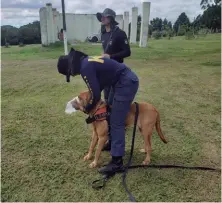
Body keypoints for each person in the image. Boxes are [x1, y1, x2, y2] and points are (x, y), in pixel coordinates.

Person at [57, 48, 139, 174]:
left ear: (70, 67)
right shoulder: (86, 61)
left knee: (116, 121)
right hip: (118, 81)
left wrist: (87, 109)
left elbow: (95, 94)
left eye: (70, 73)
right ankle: (112, 143)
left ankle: (117, 162)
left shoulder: (85, 68)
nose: (73, 75)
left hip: (125, 82)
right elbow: (97, 87)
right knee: (110, 110)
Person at [96, 8, 131, 151]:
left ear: (110, 18)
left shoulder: (120, 33)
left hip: (117, 72)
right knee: (107, 105)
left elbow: (127, 52)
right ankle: (109, 139)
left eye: (104, 17)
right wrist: (102, 56)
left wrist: (111, 57)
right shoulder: (103, 34)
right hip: (106, 72)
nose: (102, 19)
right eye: (101, 17)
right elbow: (106, 51)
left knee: (113, 106)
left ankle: (116, 136)